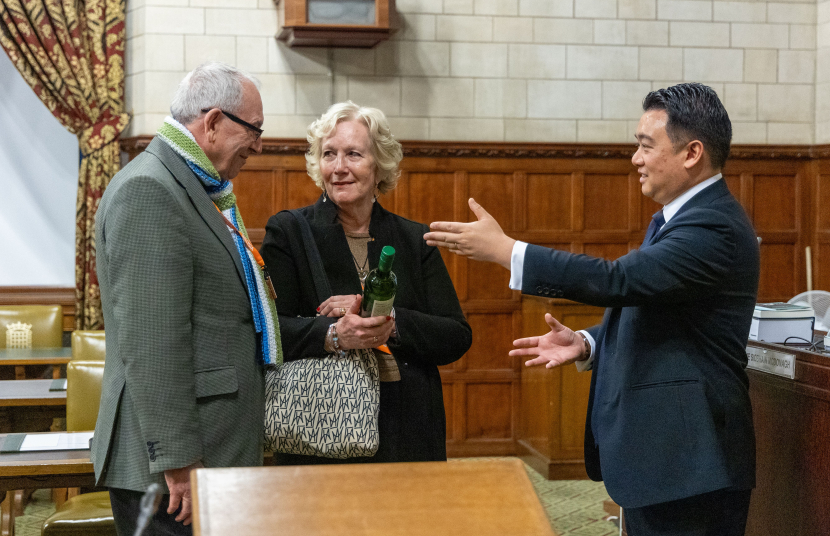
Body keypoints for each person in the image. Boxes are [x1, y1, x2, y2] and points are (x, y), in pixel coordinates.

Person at [424, 83, 759, 535]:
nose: (635, 159)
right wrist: (588, 342)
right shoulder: (677, 217)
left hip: (690, 462)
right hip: (669, 461)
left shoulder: (712, 224)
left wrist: (508, 251)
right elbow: (662, 310)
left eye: (646, 146)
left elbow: (618, 281)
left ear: (692, 152)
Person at [92, 62, 281, 535]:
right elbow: (153, 342)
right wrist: (178, 460)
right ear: (214, 122)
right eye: (254, 130)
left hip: (209, 446)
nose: (258, 145)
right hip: (175, 469)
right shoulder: (150, 190)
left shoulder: (192, 186)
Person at [260, 101, 471, 465]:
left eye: (353, 154)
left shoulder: (414, 238)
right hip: (322, 424)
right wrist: (334, 334)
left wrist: (388, 325)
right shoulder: (289, 231)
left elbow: (455, 335)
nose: (339, 168)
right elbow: (269, 330)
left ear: (380, 166)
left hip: (407, 427)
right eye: (329, 154)